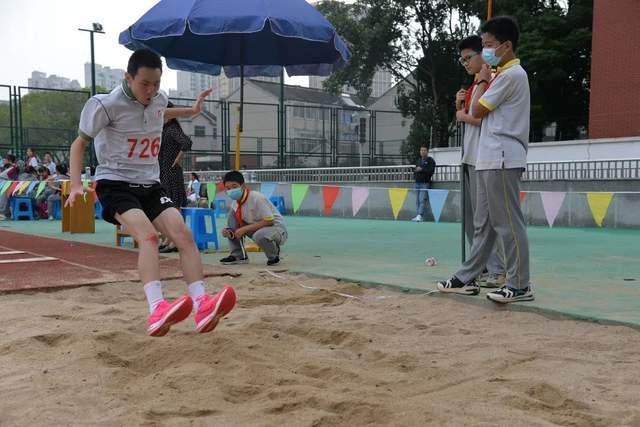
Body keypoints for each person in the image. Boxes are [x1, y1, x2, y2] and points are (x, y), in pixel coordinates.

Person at [66, 48, 236, 336]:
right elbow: (78, 144)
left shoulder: (157, 99)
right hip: (116, 183)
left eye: (156, 83)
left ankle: (203, 304)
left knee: (183, 235)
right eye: (144, 83)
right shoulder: (105, 105)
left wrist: (193, 111)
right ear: (128, 77)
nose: (151, 89)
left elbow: (160, 112)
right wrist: (76, 184)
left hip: (150, 184)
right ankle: (156, 308)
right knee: (149, 237)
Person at [437, 16, 533, 303]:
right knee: (484, 225)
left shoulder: (511, 75)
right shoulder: (502, 75)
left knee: (508, 224)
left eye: (488, 45)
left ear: (506, 45)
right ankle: (467, 276)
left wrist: (481, 78)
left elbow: (477, 111)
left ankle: (519, 284)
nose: (485, 50)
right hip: (489, 158)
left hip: (503, 157)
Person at [455, 34, 506, 288]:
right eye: (462, 59)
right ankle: (482, 266)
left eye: (469, 57)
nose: (465, 63)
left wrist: (462, 115)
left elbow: (480, 118)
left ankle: (497, 268)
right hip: (469, 155)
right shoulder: (474, 86)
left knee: (484, 220)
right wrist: (460, 109)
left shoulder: (491, 82)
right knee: (470, 218)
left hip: (482, 158)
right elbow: (467, 116)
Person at [219, 170, 287, 266]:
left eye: (234, 187)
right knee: (232, 214)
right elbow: (237, 226)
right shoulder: (235, 204)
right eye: (228, 188)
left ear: (243, 186)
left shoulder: (256, 197)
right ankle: (238, 255)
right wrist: (228, 231)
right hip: (257, 228)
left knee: (259, 236)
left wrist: (245, 229)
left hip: (277, 229)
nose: (231, 190)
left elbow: (270, 221)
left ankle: (274, 255)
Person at [157, 105, 193, 253]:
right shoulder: (165, 129)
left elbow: (187, 142)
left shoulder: (172, 129)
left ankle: (176, 241)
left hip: (171, 172)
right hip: (164, 172)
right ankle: (169, 238)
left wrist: (177, 159)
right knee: (168, 207)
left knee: (174, 207)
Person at [411, 145, 436, 222]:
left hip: (425, 183)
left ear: (427, 152)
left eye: (424, 150)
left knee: (422, 199)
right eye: (421, 150)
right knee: (417, 200)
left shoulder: (430, 160)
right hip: (417, 183)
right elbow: (415, 170)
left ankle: (420, 215)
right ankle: (418, 215)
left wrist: (422, 169)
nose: (422, 152)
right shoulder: (418, 161)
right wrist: (415, 172)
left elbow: (431, 171)